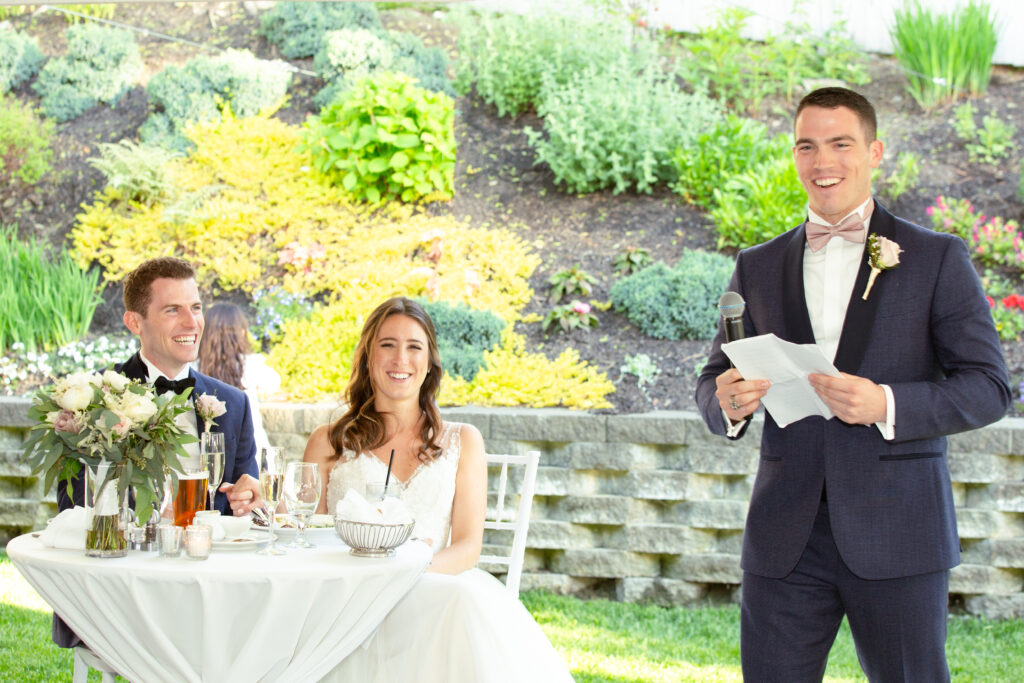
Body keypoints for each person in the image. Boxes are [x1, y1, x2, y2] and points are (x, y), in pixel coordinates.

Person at [695, 87, 1011, 681]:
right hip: (785, 536)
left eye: (840, 143)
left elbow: (990, 387)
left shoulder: (936, 257)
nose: (823, 162)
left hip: (899, 531)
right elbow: (714, 377)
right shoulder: (756, 265)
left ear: (875, 151)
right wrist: (728, 405)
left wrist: (887, 403)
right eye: (806, 146)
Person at [303, 297, 573, 683]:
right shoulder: (328, 441)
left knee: (463, 605)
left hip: (433, 587)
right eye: (387, 345)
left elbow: (467, 546)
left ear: (429, 363)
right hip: (347, 598)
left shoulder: (464, 441)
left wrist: (406, 575)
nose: (401, 359)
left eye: (414, 347)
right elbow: (305, 538)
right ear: (367, 357)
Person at [53, 257, 264, 648]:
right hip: (124, 590)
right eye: (173, 310)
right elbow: (75, 508)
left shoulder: (232, 404)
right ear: (135, 322)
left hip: (212, 587)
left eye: (196, 308)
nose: (191, 322)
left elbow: (245, 511)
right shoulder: (93, 401)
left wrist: (249, 499)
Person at [197, 303, 281, 452]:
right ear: (240, 332)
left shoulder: (194, 367)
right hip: (252, 449)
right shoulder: (251, 364)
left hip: (208, 450)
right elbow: (274, 385)